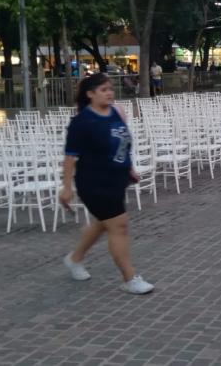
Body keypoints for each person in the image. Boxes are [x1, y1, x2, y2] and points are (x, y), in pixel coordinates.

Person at [59, 73, 154, 295]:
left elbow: (122, 143)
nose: (109, 93)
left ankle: (74, 259)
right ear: (90, 94)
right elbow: (70, 157)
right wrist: (66, 188)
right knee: (118, 225)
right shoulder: (82, 122)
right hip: (93, 182)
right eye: (103, 90)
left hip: (116, 179)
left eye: (110, 88)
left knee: (104, 223)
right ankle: (130, 278)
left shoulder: (116, 112)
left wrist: (129, 168)